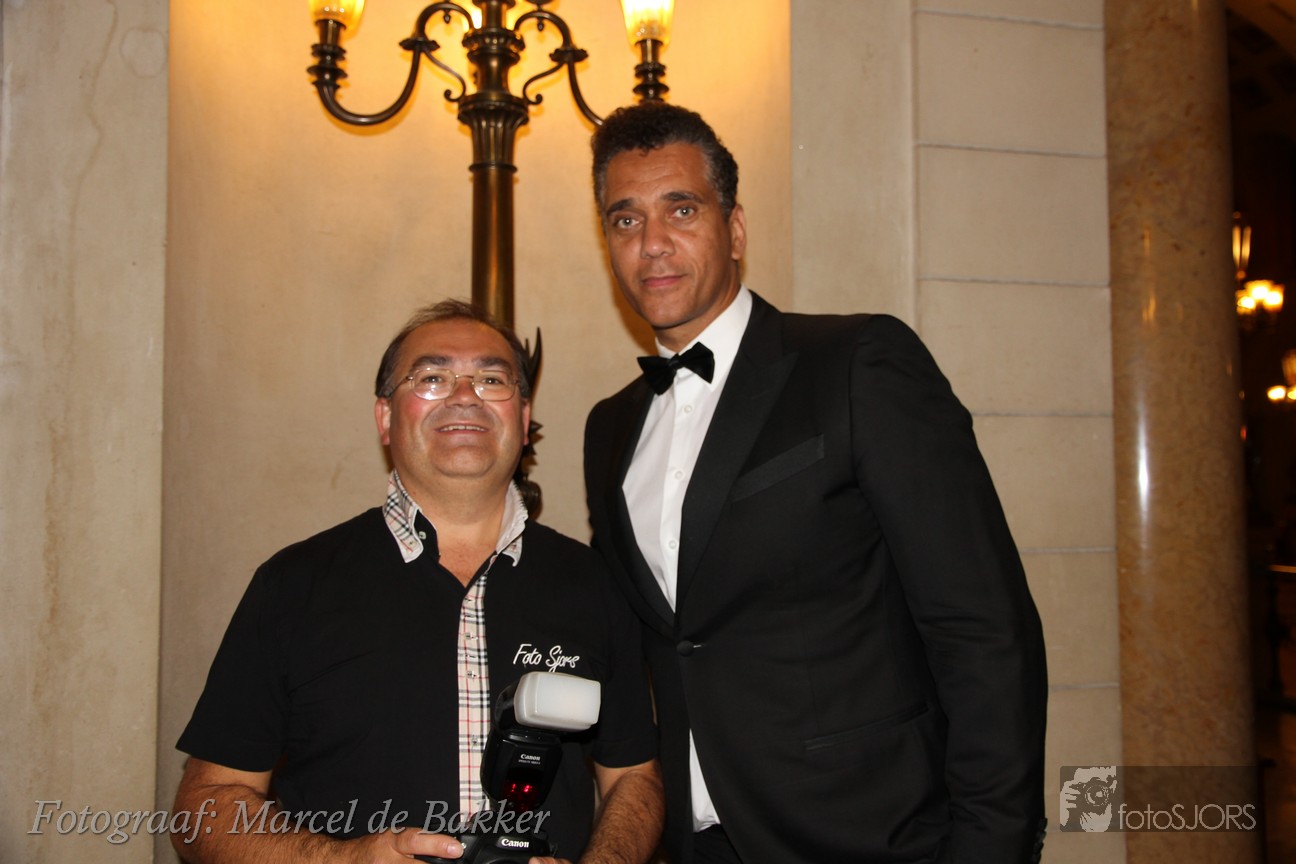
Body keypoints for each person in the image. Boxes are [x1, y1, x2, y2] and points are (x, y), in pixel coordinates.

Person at [583, 102, 1048, 864]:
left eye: (682, 209)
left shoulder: (858, 363)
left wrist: (992, 846)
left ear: (735, 229)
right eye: (625, 219)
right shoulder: (609, 427)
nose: (652, 243)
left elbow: (983, 629)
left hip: (871, 837)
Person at [172, 299, 664, 864]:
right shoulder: (293, 586)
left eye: (491, 379)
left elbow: (634, 777)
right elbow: (204, 805)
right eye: (432, 378)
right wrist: (340, 861)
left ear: (524, 417)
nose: (465, 395)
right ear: (385, 417)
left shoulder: (595, 583)